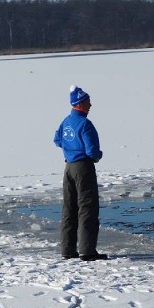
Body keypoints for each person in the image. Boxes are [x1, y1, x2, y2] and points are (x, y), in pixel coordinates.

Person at [53, 85, 107, 261]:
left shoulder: (66, 121)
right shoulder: (85, 124)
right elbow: (92, 151)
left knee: (69, 209)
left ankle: (67, 250)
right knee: (87, 208)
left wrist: (70, 150)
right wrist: (98, 156)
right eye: (88, 102)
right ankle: (87, 251)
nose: (91, 105)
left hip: (68, 168)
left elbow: (57, 140)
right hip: (83, 168)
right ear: (81, 104)